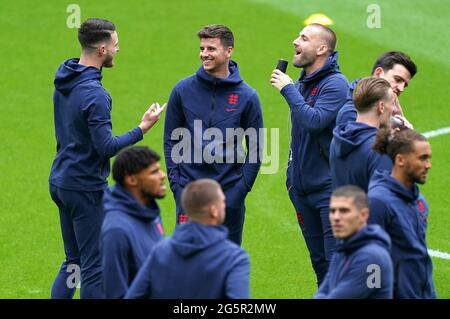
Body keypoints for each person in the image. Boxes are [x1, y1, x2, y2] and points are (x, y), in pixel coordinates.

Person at [49, 18, 165, 299]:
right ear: (101, 49)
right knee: (93, 266)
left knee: (73, 261)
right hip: (85, 186)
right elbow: (106, 147)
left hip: (61, 180)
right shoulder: (96, 95)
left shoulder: (65, 77)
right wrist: (142, 129)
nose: (118, 50)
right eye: (115, 45)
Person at [163, 24, 263, 246]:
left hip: (229, 195)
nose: (204, 54)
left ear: (229, 51)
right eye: (202, 48)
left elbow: (256, 149)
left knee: (226, 263)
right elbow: (171, 139)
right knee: (187, 260)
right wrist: (176, 185)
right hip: (189, 192)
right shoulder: (182, 90)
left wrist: (239, 192)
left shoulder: (247, 96)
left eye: (211, 49)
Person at [270, 23, 349, 285]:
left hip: (329, 190)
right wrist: (292, 179)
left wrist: (288, 89)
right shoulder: (305, 83)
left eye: (304, 38)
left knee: (336, 264)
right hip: (302, 190)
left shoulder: (335, 84)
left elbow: (314, 121)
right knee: (320, 266)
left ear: (322, 49)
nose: (295, 42)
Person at [125, 179, 250, 299]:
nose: (225, 204)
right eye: (222, 201)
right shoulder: (234, 258)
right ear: (214, 211)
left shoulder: (159, 251)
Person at [368, 129, 436, 298]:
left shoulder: (419, 200)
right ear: (400, 160)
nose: (428, 165)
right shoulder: (378, 202)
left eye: (429, 158)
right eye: (422, 158)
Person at [100, 146, 166, 298]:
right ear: (131, 179)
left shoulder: (151, 213)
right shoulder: (116, 231)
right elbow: (115, 294)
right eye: (154, 172)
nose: (162, 176)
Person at [314, 185, 393, 299]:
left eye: (344, 211)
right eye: (332, 211)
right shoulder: (343, 250)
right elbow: (324, 290)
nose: (336, 217)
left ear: (363, 215)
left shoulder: (372, 258)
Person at [330, 77, 394, 192]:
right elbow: (385, 199)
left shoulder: (338, 138)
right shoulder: (380, 147)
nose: (394, 109)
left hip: (342, 208)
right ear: (381, 107)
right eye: (392, 103)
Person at [336, 51, 417, 127]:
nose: (401, 89)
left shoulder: (385, 108)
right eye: (398, 79)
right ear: (378, 73)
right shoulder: (351, 114)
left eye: (405, 85)